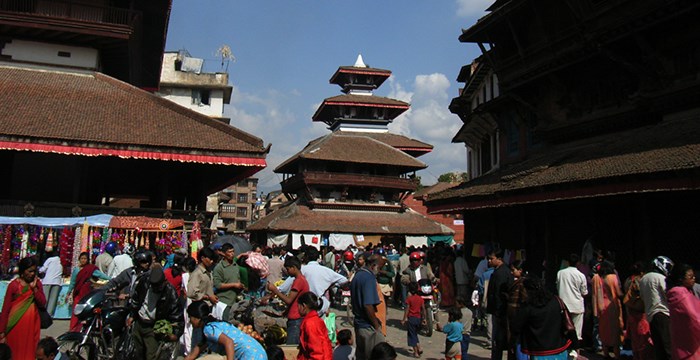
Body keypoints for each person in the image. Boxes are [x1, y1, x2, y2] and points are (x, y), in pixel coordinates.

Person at [127, 266, 184, 360]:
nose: (155, 289)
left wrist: (175, 333)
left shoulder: (170, 292)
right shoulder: (144, 282)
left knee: (152, 356)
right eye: (153, 286)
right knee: (137, 353)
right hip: (139, 322)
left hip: (153, 328)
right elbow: (136, 299)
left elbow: (177, 315)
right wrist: (132, 315)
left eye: (158, 286)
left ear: (164, 282)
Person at [511, 276, 572, 359]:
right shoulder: (556, 301)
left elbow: (516, 327)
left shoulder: (528, 306)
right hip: (559, 348)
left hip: (538, 351)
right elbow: (568, 321)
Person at [184, 301, 266, 360]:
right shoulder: (216, 325)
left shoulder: (209, 329)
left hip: (251, 355)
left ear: (196, 318)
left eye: (190, 317)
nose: (189, 321)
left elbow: (229, 342)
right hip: (260, 352)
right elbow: (196, 350)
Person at [0, 256, 46, 359]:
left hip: (31, 326)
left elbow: (42, 303)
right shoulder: (13, 286)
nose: (32, 274)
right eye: (29, 271)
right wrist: (2, 332)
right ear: (22, 271)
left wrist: (34, 290)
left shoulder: (37, 284)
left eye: (34, 271)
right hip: (14, 327)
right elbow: (5, 310)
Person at [266, 255, 308, 345]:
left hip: (296, 319)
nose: (287, 272)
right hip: (296, 316)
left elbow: (289, 300)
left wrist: (275, 290)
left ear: (294, 268)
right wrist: (287, 311)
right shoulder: (301, 279)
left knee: (292, 346)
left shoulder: (298, 281)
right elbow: (294, 301)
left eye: (288, 269)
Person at [350, 254, 386, 360]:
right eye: (379, 268)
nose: (379, 271)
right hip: (368, 326)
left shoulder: (358, 275)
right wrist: (376, 324)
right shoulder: (369, 278)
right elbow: (368, 305)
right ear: (373, 265)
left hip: (359, 324)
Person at [639, 256, 673, 360]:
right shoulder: (660, 278)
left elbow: (642, 297)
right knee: (668, 346)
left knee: (659, 347)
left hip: (650, 315)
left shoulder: (643, 278)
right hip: (662, 313)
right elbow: (667, 294)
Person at [67, 251, 111, 331]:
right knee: (76, 311)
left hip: (86, 292)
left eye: (85, 259)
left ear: (88, 260)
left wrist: (111, 280)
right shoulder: (76, 270)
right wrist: (68, 292)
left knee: (86, 311)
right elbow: (73, 282)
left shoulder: (91, 269)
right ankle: (73, 329)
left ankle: (83, 329)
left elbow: (101, 275)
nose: (83, 260)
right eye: (82, 259)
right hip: (78, 292)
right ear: (79, 259)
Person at [666, 263, 700, 360]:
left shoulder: (677, 293)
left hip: (680, 340)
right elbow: (695, 318)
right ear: (681, 279)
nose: (694, 278)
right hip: (690, 344)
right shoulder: (681, 295)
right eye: (690, 276)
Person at [556, 253, 588, 357]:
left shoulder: (560, 273)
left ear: (568, 262)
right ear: (578, 263)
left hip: (563, 306)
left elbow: (557, 286)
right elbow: (584, 292)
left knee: (564, 330)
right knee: (577, 332)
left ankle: (565, 351)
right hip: (577, 306)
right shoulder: (581, 275)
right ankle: (576, 353)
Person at [591, 260, 623, 359]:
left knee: (603, 329)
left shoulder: (597, 278)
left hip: (601, 306)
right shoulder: (612, 277)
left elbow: (594, 294)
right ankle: (617, 354)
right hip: (612, 306)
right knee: (615, 330)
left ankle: (605, 352)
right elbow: (618, 292)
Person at [622, 262, 653, 360]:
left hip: (631, 315)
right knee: (644, 341)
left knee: (635, 341)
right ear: (642, 272)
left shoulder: (627, 280)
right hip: (641, 316)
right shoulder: (641, 281)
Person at [485, 248, 513, 360]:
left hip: (500, 311)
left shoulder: (501, 273)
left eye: (491, 259)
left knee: (498, 339)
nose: (489, 261)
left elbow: (498, 294)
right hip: (500, 310)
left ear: (499, 259)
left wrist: (497, 310)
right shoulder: (500, 271)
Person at [212, 243, 245, 320]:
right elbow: (218, 285)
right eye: (229, 252)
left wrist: (240, 285)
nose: (232, 254)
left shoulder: (235, 265)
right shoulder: (219, 268)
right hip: (224, 302)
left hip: (235, 301)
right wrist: (234, 285)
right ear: (223, 253)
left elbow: (237, 279)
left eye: (233, 251)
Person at [297, 292, 334, 360]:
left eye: (298, 306)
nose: (298, 309)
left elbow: (317, 352)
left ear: (304, 306)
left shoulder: (310, 324)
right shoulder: (315, 320)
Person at [401, 282, 426, 358]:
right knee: (415, 333)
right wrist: (424, 318)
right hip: (418, 318)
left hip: (411, 319)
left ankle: (416, 352)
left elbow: (407, 309)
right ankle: (419, 347)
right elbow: (423, 309)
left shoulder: (409, 299)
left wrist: (404, 319)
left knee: (411, 335)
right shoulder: (420, 299)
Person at [39, 250, 63, 317]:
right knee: (53, 300)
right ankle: (49, 315)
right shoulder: (61, 261)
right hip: (57, 282)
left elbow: (43, 269)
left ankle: (42, 315)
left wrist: (39, 270)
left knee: (44, 299)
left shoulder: (50, 259)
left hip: (47, 281)